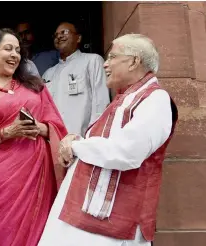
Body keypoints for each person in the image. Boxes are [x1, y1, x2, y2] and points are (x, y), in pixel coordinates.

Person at [38, 34, 178, 246]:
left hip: (113, 220)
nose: (105, 64)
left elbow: (126, 152)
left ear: (133, 61)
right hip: (85, 214)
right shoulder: (124, 99)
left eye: (112, 57)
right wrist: (77, 141)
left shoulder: (155, 99)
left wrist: (76, 146)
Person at [0, 28, 68, 246]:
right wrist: (7, 132)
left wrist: (40, 128)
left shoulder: (35, 86)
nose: (14, 55)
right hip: (0, 176)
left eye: (18, 50)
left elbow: (57, 127)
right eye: (7, 49)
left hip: (38, 173)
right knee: (3, 236)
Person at [43, 21, 110, 137]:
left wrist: (94, 137)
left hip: (83, 140)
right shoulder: (48, 74)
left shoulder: (93, 61)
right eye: (56, 35)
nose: (59, 36)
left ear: (78, 38)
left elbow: (101, 102)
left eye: (65, 32)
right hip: (54, 142)